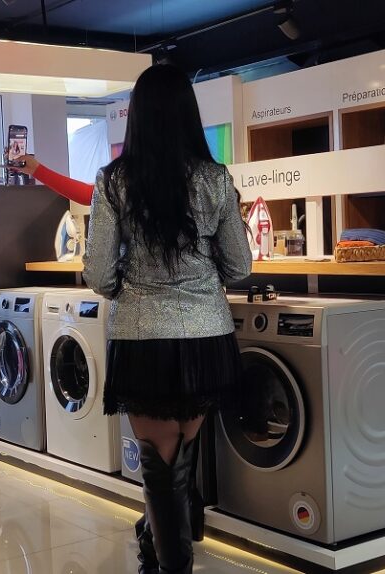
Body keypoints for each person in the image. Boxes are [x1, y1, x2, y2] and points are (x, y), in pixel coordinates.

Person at [82, 64, 251, 574]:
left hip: (142, 338)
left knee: (160, 464)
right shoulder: (215, 180)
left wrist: (129, 285)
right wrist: (203, 275)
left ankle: (168, 561)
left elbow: (97, 272)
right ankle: (154, 548)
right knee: (179, 458)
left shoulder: (114, 182)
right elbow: (240, 266)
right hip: (206, 337)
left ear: (137, 118)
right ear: (188, 115)